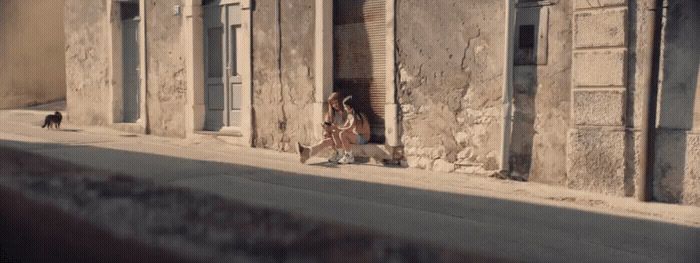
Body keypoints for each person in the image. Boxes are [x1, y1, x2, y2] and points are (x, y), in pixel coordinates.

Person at [297, 92, 346, 163]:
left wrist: (335, 128)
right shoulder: (331, 114)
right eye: (332, 104)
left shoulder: (346, 112)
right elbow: (327, 131)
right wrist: (326, 129)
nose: (335, 105)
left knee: (327, 140)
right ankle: (306, 153)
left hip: (344, 137)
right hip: (335, 137)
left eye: (336, 102)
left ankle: (306, 153)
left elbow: (347, 128)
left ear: (340, 101)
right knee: (325, 141)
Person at [336, 96, 370, 164]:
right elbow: (345, 126)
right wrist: (336, 127)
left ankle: (349, 156)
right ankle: (340, 154)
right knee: (339, 133)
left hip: (363, 138)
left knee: (342, 134)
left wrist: (340, 129)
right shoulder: (350, 115)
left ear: (351, 107)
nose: (345, 109)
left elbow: (349, 128)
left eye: (345, 107)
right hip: (357, 136)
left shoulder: (357, 115)